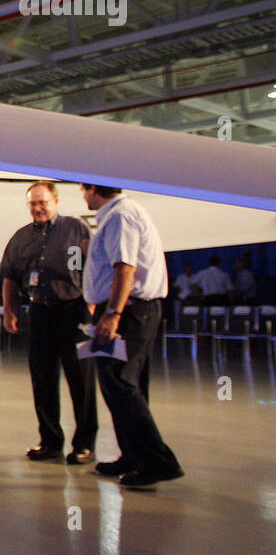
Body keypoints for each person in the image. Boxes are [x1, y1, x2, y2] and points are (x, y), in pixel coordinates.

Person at [81, 184, 183, 489]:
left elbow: (125, 267)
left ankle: (158, 461)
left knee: (119, 382)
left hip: (127, 311)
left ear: (93, 189)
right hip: (134, 310)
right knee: (126, 383)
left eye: (83, 189)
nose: (83, 196)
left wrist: (113, 314)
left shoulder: (120, 216)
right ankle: (134, 455)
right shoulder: (122, 213)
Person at [0, 180, 96, 465]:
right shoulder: (20, 238)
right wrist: (9, 310)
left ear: (56, 202)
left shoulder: (75, 229)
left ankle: (84, 444)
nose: (38, 208)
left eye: (43, 202)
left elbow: (91, 269)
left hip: (74, 311)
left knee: (81, 380)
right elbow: (10, 276)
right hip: (40, 313)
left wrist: (89, 308)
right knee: (42, 380)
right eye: (33, 203)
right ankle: (50, 441)